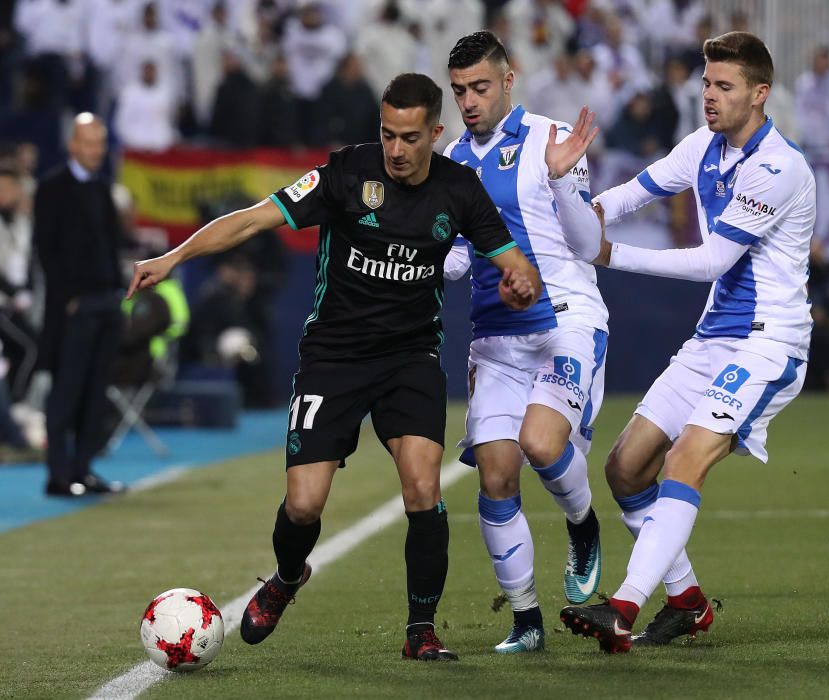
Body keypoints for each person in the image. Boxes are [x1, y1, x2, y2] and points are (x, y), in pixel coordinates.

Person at [127, 73, 541, 662]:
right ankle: (288, 576)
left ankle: (420, 631)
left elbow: (513, 260)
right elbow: (252, 219)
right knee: (303, 505)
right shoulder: (346, 174)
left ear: (436, 133)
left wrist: (520, 279)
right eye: (388, 134)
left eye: (410, 137)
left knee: (423, 487)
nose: (396, 150)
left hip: (410, 358)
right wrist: (173, 256)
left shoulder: (461, 190)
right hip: (334, 357)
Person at [551, 31, 816, 652]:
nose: (709, 97)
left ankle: (621, 607)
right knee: (624, 468)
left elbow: (711, 263)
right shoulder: (704, 145)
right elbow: (633, 193)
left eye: (724, 87)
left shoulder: (779, 167)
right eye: (705, 84)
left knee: (683, 459)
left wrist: (609, 253)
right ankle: (690, 603)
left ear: (759, 94)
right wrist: (572, 205)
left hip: (768, 343)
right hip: (712, 340)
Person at [441, 31, 608, 654]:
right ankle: (527, 619)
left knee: (541, 444)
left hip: (565, 317)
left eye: (480, 87)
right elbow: (458, 261)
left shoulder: (551, 138)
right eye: (459, 91)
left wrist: (564, 181)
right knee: (495, 473)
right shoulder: (452, 162)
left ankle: (583, 524)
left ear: (509, 81)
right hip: (495, 337)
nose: (469, 101)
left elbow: (588, 243)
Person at [34, 113, 126, 497]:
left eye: (100, 144)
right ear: (72, 144)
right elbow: (46, 249)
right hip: (74, 307)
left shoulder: (103, 189)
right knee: (67, 392)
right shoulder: (52, 187)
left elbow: (111, 245)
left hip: (105, 302)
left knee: (95, 391)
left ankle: (82, 469)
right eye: (89, 143)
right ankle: (58, 475)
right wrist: (68, 298)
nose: (95, 151)